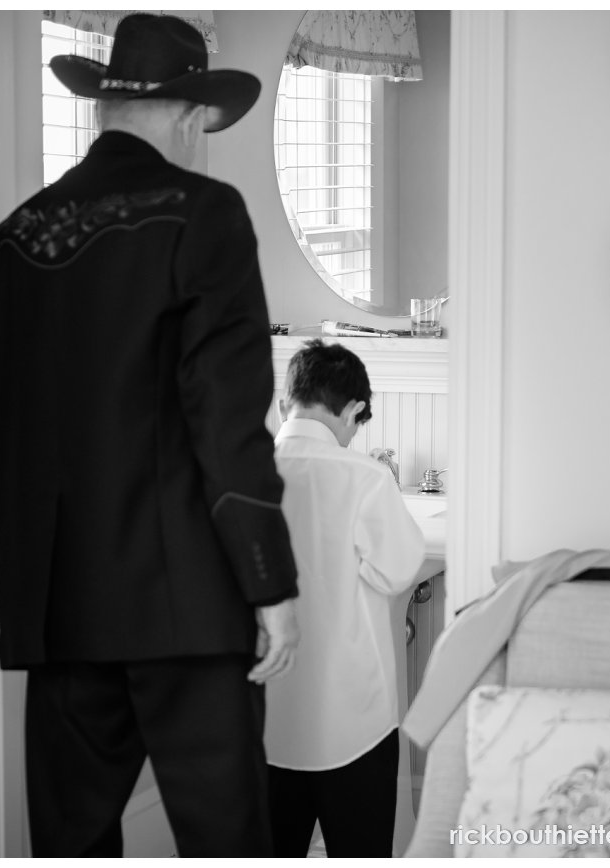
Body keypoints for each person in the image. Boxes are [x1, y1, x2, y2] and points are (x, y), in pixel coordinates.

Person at [0, 14, 300, 857]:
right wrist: (270, 584)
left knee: (72, 842)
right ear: (190, 116)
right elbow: (227, 420)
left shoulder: (8, 244)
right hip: (186, 605)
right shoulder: (203, 213)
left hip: (62, 612)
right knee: (228, 842)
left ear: (106, 109)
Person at [264, 339, 426, 857]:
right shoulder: (366, 478)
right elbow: (399, 569)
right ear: (354, 409)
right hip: (351, 720)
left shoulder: (244, 475)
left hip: (262, 719)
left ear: (287, 402)